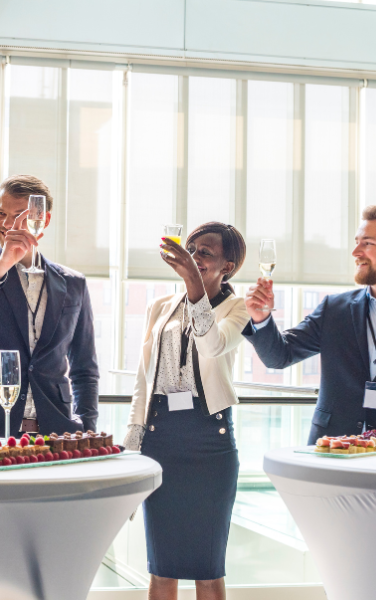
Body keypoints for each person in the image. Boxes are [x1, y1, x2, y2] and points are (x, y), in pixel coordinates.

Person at [124, 223, 248, 600]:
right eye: (191, 249)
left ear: (228, 265)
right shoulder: (159, 307)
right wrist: (133, 439)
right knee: (162, 568)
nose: (195, 258)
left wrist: (195, 286)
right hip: (161, 440)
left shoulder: (238, 308)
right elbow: (143, 380)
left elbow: (211, 346)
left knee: (207, 569)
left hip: (210, 444)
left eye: (205, 253)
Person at [0, 175, 98, 436]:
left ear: (43, 220)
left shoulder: (74, 284)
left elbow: (85, 368)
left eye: (18, 216)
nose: (6, 224)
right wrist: (1, 267)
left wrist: (86, 427)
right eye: (1, 213)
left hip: (57, 433)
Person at [244, 205, 376, 443]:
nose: (355, 251)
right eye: (356, 242)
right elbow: (279, 356)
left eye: (367, 243)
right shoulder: (334, 309)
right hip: (331, 449)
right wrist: (261, 318)